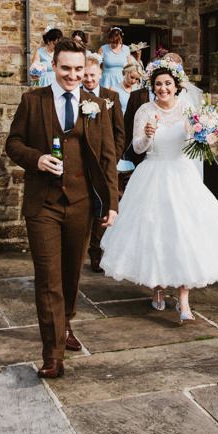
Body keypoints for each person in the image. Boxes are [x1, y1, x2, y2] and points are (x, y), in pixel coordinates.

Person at [100, 58, 218, 323]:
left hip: (182, 176)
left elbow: (197, 144)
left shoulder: (188, 109)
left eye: (167, 83)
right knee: (155, 234)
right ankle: (157, 289)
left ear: (177, 85)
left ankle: (183, 301)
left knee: (184, 235)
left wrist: (207, 132)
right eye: (158, 84)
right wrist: (148, 134)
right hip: (152, 174)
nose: (163, 88)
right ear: (152, 86)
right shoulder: (144, 111)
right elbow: (137, 148)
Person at [6, 38, 118, 379]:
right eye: (65, 68)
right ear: (53, 67)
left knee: (71, 276)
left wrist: (111, 203)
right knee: (48, 279)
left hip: (82, 203)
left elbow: (107, 157)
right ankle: (52, 354)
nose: (72, 76)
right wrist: (35, 158)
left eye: (78, 69)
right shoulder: (32, 101)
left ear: (86, 70)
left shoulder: (97, 105)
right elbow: (13, 143)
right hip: (43, 204)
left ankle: (65, 322)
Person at [82, 53, 124, 273]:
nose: (89, 80)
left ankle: (98, 253)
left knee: (104, 205)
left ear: (100, 74)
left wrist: (112, 158)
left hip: (105, 161)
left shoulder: (111, 97)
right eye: (85, 75)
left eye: (92, 75)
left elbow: (119, 132)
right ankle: (85, 249)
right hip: (82, 163)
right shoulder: (76, 96)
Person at [99, 27, 132, 91]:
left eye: (116, 42)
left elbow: (130, 67)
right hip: (106, 81)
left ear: (121, 39)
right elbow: (97, 66)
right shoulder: (103, 48)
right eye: (112, 42)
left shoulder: (126, 49)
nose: (114, 44)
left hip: (121, 80)